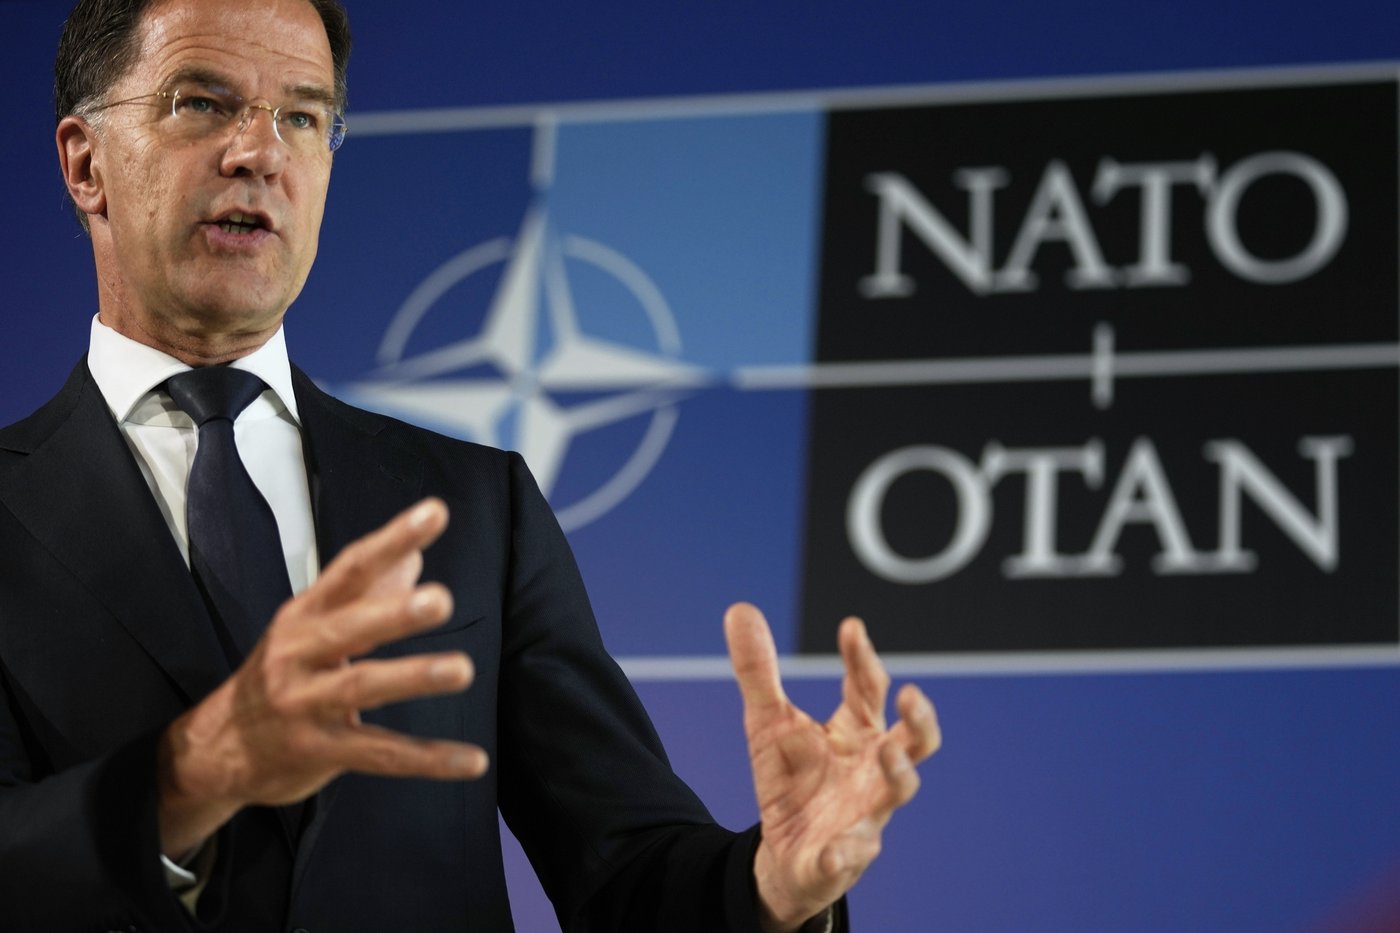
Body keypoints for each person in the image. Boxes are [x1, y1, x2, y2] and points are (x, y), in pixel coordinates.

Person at [0, 0, 941, 929]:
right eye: (202, 103)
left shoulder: (479, 507)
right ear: (86, 164)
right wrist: (191, 773)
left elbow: (628, 874)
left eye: (303, 116)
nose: (261, 152)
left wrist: (773, 887)